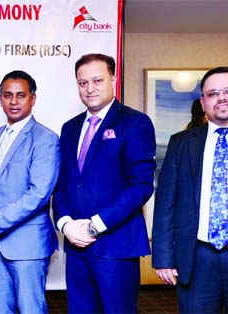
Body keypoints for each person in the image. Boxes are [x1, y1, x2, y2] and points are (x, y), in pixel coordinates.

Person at [152, 66, 228, 313]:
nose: (221, 98)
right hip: (196, 259)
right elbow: (166, 203)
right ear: (203, 101)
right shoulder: (181, 143)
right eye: (213, 93)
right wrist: (164, 257)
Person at [53, 53, 156, 313]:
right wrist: (65, 224)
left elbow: (141, 186)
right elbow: (64, 183)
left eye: (97, 80)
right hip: (76, 246)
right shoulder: (69, 128)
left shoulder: (135, 123)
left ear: (114, 79)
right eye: (82, 82)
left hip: (116, 246)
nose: (90, 89)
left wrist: (95, 225)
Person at [0, 70, 60, 313]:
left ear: (32, 99)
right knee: (0, 309)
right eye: (8, 95)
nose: (14, 101)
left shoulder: (45, 139)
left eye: (20, 95)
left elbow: (37, 195)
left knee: (30, 309)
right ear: (0, 99)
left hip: (27, 246)